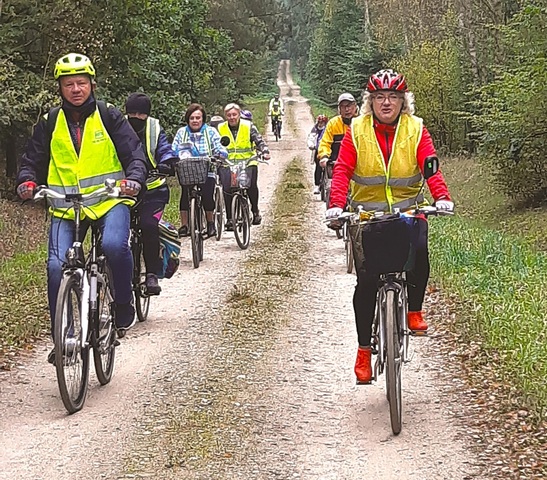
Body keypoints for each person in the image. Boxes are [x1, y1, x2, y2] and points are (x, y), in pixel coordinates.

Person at [16, 53, 148, 362]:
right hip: (65, 207)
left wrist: (134, 178)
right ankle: (65, 336)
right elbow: (31, 160)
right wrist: (26, 180)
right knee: (54, 267)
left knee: (115, 245)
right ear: (60, 88)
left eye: (82, 83)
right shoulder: (50, 122)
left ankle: (122, 306)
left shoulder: (109, 116)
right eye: (69, 84)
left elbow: (134, 153)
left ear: (92, 84)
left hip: (108, 201)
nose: (76, 89)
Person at [325, 69, 454, 384]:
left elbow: (430, 165)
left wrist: (442, 197)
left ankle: (414, 310)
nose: (386, 103)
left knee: (420, 248)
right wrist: (335, 205)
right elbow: (342, 169)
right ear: (370, 101)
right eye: (379, 97)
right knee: (366, 283)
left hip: (407, 209)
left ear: (402, 101)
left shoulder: (416, 129)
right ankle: (364, 352)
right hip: (367, 214)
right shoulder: (357, 129)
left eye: (393, 97)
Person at [125, 92, 175, 295]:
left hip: (153, 190)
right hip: (125, 190)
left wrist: (168, 161)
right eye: (131, 113)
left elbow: (164, 148)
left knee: (148, 226)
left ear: (147, 114)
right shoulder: (117, 126)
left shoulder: (154, 128)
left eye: (140, 113)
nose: (135, 117)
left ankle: (152, 274)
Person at [172, 103, 228, 238]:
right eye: (192, 118)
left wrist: (220, 155)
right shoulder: (181, 132)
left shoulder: (210, 132)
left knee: (208, 195)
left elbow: (220, 148)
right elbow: (173, 149)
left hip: (206, 169)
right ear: (188, 119)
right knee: (185, 194)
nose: (195, 121)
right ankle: (185, 225)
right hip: (187, 170)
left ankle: (210, 223)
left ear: (202, 119)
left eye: (198, 118)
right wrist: (172, 158)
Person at [218, 103, 271, 229]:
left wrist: (264, 151)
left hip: (248, 161)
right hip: (228, 163)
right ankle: (230, 219)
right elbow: (215, 144)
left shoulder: (248, 126)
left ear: (239, 114)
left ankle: (255, 211)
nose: (232, 117)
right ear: (226, 116)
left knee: (251, 185)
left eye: (234, 114)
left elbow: (258, 140)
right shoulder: (220, 128)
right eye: (229, 115)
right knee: (227, 188)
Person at [317, 93, 358, 168]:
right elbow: (325, 143)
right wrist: (324, 156)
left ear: (355, 106)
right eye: (343, 106)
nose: (347, 109)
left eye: (349, 105)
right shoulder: (333, 123)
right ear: (339, 109)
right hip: (336, 165)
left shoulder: (362, 122)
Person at [307, 114, 328, 194]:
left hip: (327, 150)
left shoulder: (328, 129)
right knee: (318, 168)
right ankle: (317, 185)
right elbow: (311, 137)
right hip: (317, 151)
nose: (320, 124)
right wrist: (311, 145)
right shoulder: (315, 129)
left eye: (322, 122)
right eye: (319, 122)